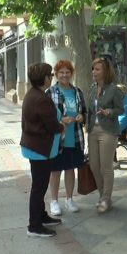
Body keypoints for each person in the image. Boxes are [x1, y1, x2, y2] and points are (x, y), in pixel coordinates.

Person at [20, 62, 65, 238]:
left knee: (39, 186)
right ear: (44, 78)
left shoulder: (33, 94)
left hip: (35, 147)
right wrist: (61, 127)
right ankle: (34, 225)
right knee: (39, 188)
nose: (51, 78)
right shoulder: (41, 98)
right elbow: (52, 124)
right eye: (50, 75)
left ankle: (42, 216)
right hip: (39, 149)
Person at [45, 60, 86, 216]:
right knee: (55, 170)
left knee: (70, 169)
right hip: (58, 139)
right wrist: (60, 121)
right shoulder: (50, 92)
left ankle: (69, 199)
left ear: (72, 73)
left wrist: (82, 116)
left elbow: (84, 111)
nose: (64, 75)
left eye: (67, 72)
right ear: (56, 74)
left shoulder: (77, 92)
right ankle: (54, 201)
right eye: (61, 72)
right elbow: (46, 117)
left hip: (75, 137)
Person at [87, 57, 124, 213]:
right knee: (93, 165)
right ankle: (103, 197)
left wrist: (109, 111)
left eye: (97, 69)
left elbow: (121, 110)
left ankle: (105, 199)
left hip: (108, 130)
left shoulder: (114, 89)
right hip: (92, 130)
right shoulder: (92, 88)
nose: (94, 72)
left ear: (105, 71)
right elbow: (89, 109)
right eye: (93, 69)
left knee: (105, 167)